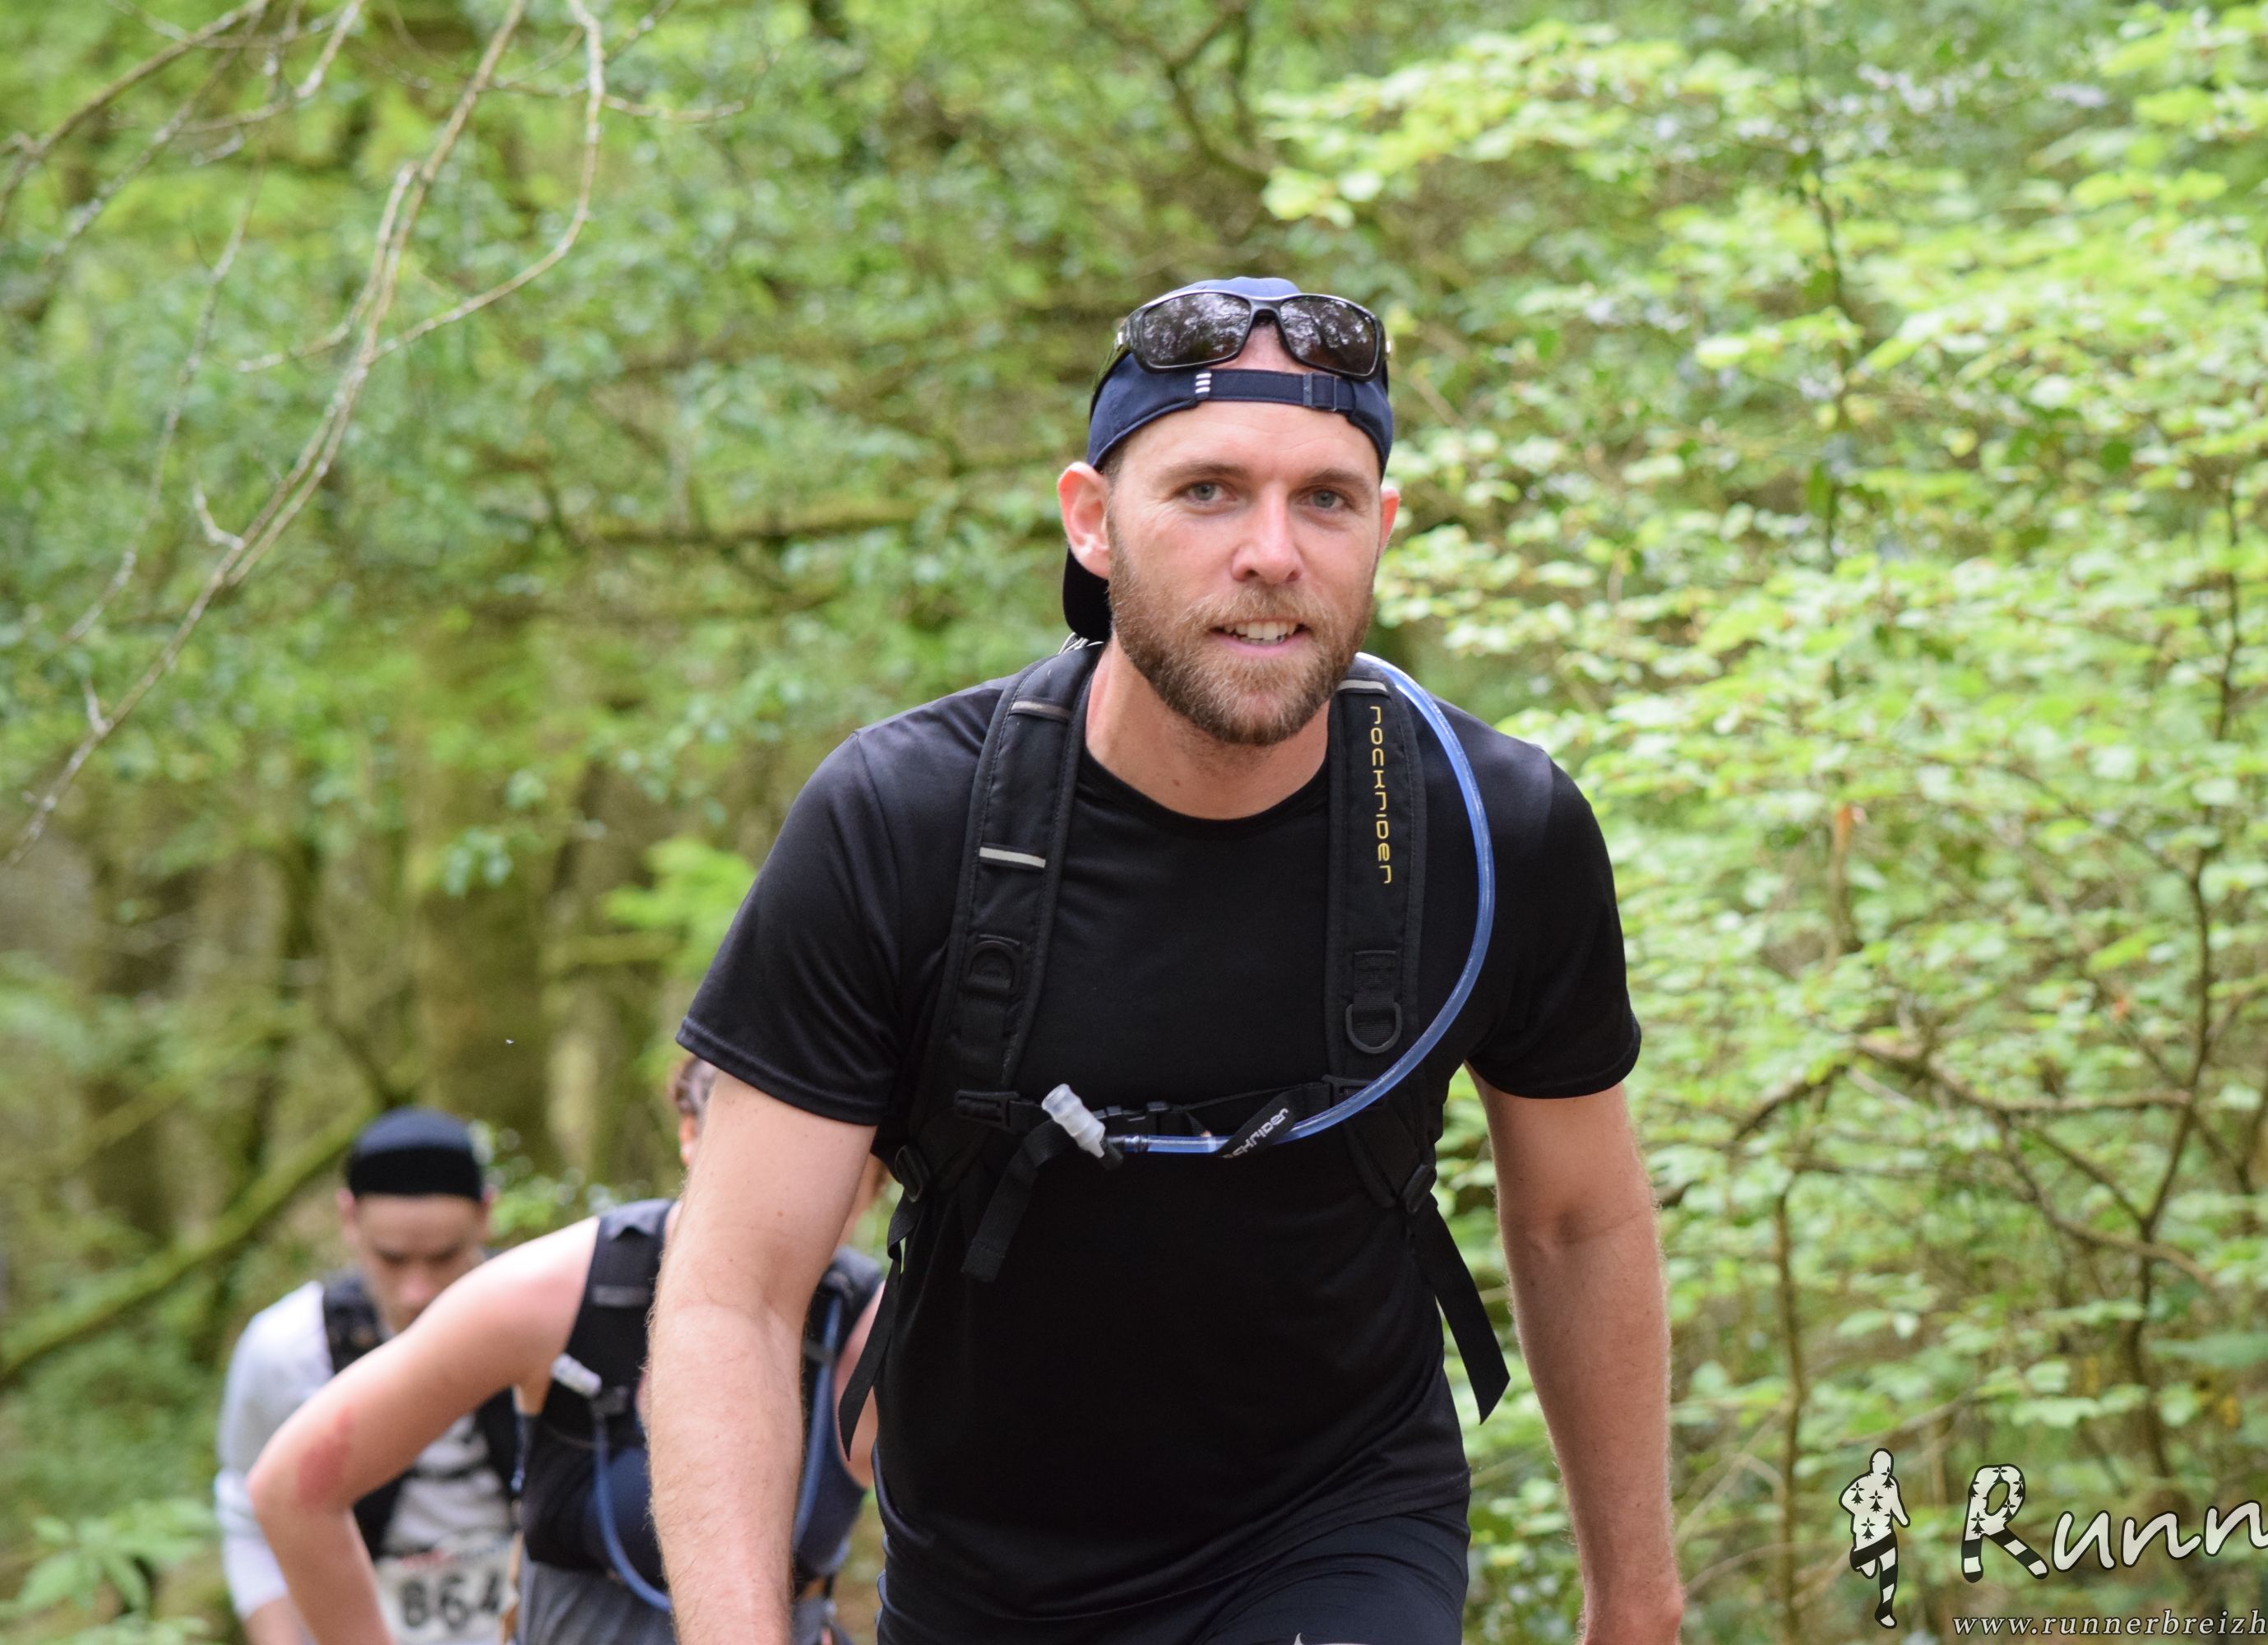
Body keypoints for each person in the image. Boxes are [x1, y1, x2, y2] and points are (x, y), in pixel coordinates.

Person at [648, 276, 1684, 1645]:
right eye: (1207, 493)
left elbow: (1576, 1220)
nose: (1272, 553)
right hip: (987, 1573)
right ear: (1091, 521)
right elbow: (731, 1296)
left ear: (1380, 533)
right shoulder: (901, 824)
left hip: (1340, 1524)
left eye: (1325, 500)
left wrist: (1638, 1604)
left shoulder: (1492, 833)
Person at [246, 1056, 887, 1645]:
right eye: (760, 1164)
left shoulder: (880, 1338)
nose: (787, 1206)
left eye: (830, 1176)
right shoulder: (552, 1294)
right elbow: (292, 1490)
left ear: (882, 1178)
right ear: (691, 1132)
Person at [215, 1109, 515, 1645]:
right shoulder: (288, 1350)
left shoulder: (548, 1324)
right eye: (391, 1259)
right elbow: (247, 1512)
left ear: (486, 1214)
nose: (416, 1292)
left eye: (444, 1257)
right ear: (349, 1219)